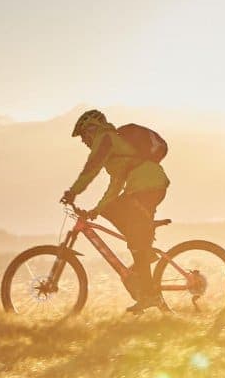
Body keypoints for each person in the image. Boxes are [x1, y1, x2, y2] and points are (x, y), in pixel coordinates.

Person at [60, 109, 171, 312]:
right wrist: (96, 210)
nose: (84, 142)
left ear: (92, 129)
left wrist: (73, 192)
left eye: (84, 136)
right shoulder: (118, 153)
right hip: (149, 184)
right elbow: (115, 186)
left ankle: (148, 291)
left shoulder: (106, 139)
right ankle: (144, 246)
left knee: (135, 239)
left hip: (146, 186)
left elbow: (90, 168)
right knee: (115, 213)